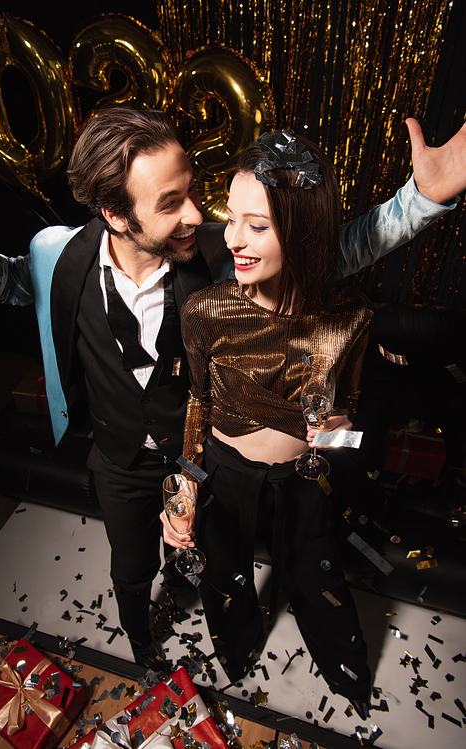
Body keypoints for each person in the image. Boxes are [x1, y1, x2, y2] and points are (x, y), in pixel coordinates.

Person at [0, 107, 464, 672]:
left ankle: (201, 600)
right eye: (169, 203)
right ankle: (139, 636)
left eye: (191, 192)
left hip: (200, 454)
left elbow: (324, 251)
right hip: (118, 457)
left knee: (203, 554)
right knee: (130, 565)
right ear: (115, 214)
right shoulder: (59, 256)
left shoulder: (213, 253)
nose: (197, 214)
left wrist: (419, 200)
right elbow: (10, 286)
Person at [164, 130, 397, 719]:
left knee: (317, 579)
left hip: (300, 478)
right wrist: (184, 490)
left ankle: (348, 680)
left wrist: (343, 431)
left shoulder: (351, 319)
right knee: (225, 577)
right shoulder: (204, 312)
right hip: (224, 471)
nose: (233, 240)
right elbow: (197, 402)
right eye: (230, 218)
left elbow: (351, 420)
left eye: (257, 225)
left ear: (303, 229)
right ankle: (237, 654)